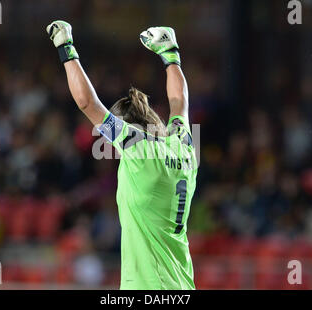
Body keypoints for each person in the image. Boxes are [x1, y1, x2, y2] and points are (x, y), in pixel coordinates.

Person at [46, 21, 197, 290]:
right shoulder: (184, 148)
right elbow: (179, 102)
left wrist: (65, 47)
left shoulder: (137, 148)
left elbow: (87, 103)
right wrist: (170, 54)